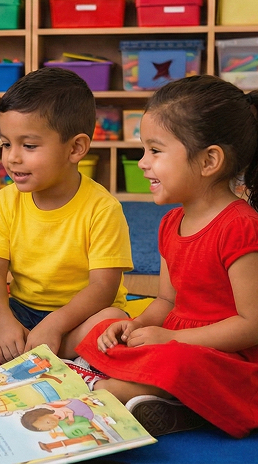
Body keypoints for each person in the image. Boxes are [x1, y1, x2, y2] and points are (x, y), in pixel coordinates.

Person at [76, 75, 258, 439]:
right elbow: (166, 301)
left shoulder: (241, 226)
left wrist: (172, 339)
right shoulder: (171, 222)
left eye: (155, 151)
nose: (142, 163)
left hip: (225, 356)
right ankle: (171, 404)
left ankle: (119, 388)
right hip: (175, 341)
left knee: (175, 362)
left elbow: (251, 324)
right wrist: (138, 325)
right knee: (102, 330)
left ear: (209, 160)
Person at [0, 67, 133, 375]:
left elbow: (103, 288)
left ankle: (5, 354)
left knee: (111, 320)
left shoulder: (103, 208)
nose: (12, 158)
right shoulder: (6, 200)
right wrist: (4, 323)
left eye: (29, 146)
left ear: (76, 148)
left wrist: (56, 324)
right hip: (22, 311)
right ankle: (45, 356)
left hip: (78, 317)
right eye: (6, 144)